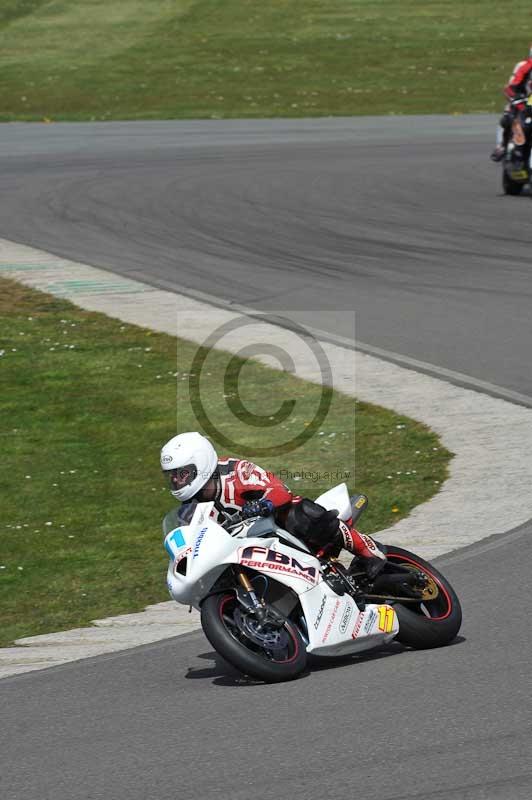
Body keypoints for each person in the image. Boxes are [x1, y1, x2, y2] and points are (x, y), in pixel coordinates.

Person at [160, 431, 386, 578]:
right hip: (245, 551)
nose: (176, 481)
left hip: (275, 526)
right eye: (172, 476)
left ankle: (368, 551)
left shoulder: (236, 472)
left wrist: (264, 504)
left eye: (182, 473)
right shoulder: (187, 513)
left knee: (300, 513)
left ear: (201, 464)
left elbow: (279, 491)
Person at [491, 46, 532, 161]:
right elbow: (510, 87)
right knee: (507, 117)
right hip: (523, 102)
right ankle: (501, 146)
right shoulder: (523, 66)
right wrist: (516, 99)